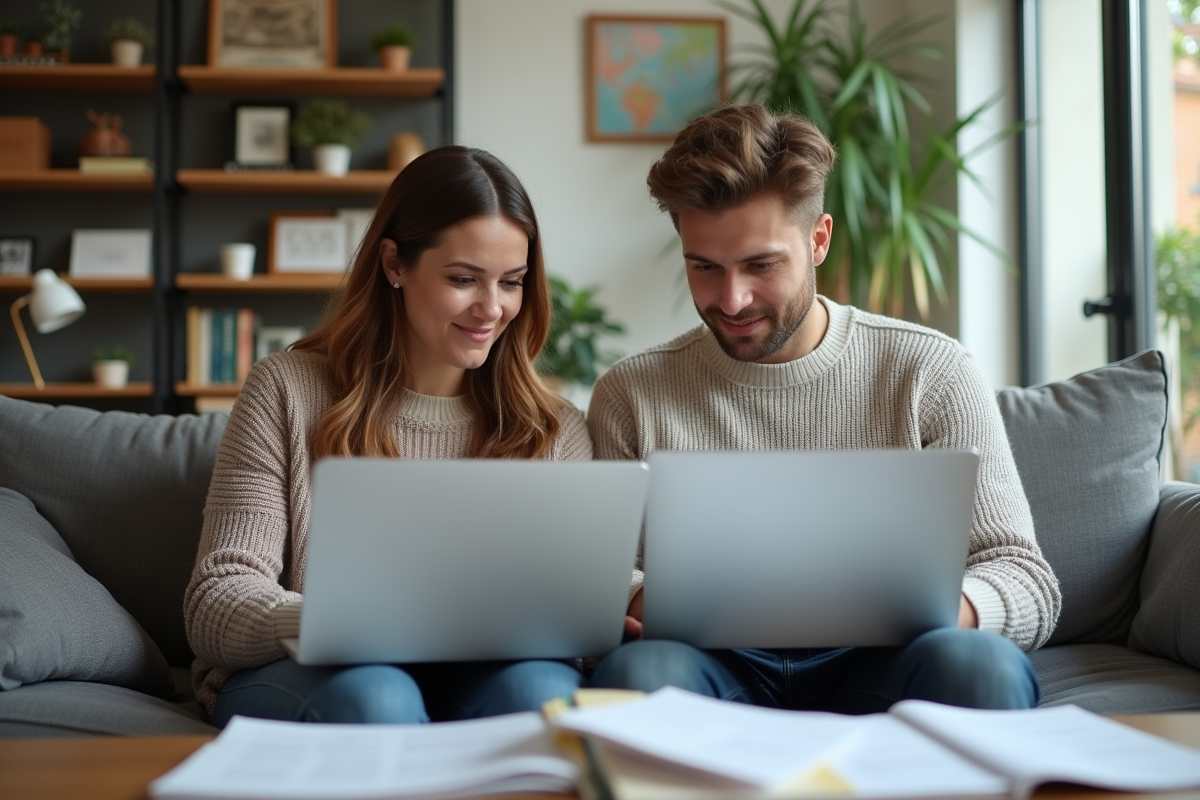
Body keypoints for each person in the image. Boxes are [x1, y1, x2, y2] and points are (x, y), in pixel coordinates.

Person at [587, 104, 1061, 712]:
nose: (731, 299)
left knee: (981, 669)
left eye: (761, 265)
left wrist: (954, 609)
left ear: (818, 240)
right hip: (709, 663)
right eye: (704, 267)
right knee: (639, 673)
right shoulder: (632, 392)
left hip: (887, 659)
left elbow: (1024, 574)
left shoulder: (931, 370)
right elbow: (598, 575)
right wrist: (635, 599)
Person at [185, 146, 592, 726]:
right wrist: (337, 622)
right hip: (317, 671)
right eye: (462, 279)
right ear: (394, 263)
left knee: (543, 690)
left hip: (481, 672)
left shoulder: (552, 429)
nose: (492, 308)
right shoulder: (287, 389)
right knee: (380, 695)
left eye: (512, 282)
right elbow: (215, 598)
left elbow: (573, 607)